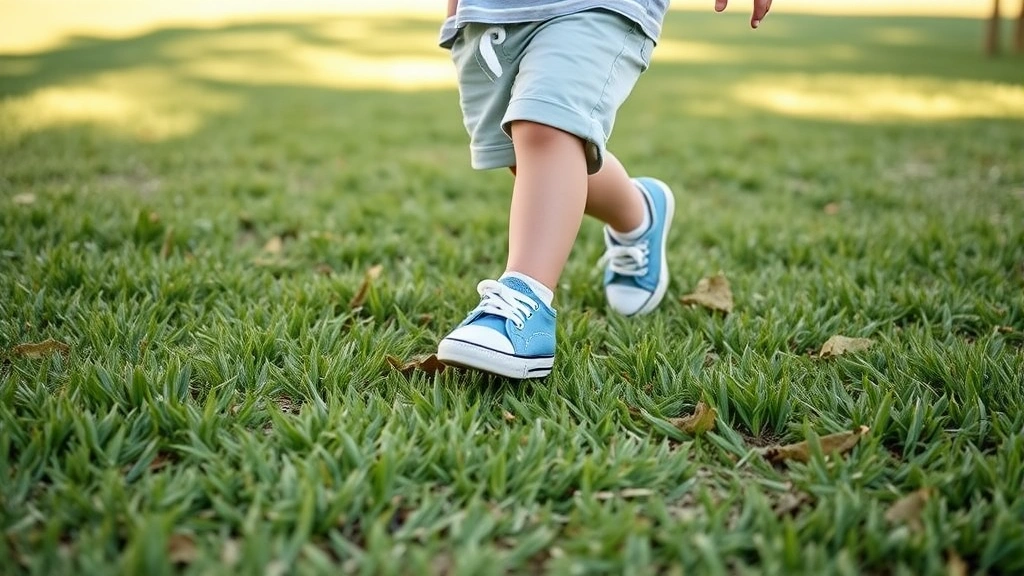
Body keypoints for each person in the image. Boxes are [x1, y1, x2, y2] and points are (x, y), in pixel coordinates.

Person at [435, 0, 772, 379]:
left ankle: (526, 299)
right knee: (529, 155)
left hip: (595, 6)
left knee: (545, 125)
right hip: (490, 13)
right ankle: (638, 213)